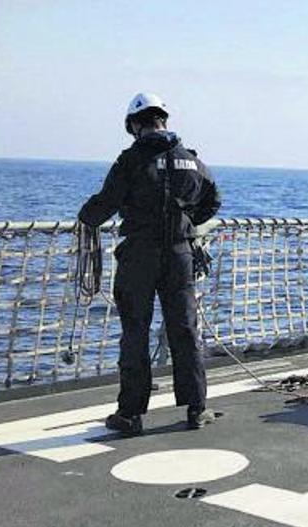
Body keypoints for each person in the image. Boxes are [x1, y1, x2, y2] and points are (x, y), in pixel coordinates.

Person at [78, 92, 221, 435]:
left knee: (135, 332)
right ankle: (197, 407)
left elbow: (105, 204)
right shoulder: (192, 160)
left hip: (140, 256)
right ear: (164, 121)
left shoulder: (130, 160)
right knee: (185, 331)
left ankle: (130, 414)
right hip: (179, 255)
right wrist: (186, 223)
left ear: (135, 125)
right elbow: (213, 200)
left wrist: (87, 216)